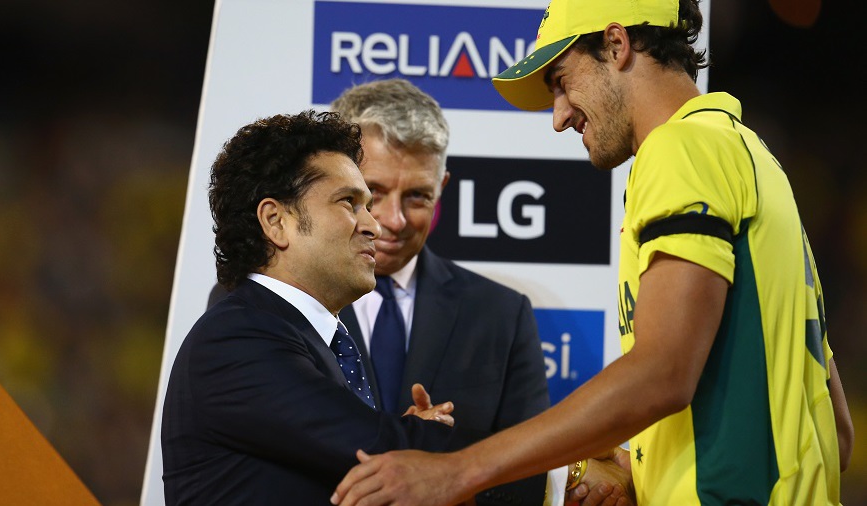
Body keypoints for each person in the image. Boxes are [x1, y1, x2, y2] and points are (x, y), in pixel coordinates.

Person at [330, 0, 855, 505]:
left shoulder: (679, 150)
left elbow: (663, 374)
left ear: (616, 44)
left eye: (561, 82)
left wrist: (455, 471)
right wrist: (637, 467)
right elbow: (836, 431)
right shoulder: (756, 158)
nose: (558, 117)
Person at [160, 110, 483, 505]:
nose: (374, 226)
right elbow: (372, 448)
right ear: (276, 221)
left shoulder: (317, 340)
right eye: (349, 202)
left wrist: (405, 437)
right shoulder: (236, 339)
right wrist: (421, 436)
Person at [329, 79, 552, 506]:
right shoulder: (270, 305)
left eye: (417, 196)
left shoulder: (501, 315)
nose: (392, 220)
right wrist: (406, 440)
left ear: (442, 189)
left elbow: (529, 468)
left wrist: (447, 478)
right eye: (372, 193)